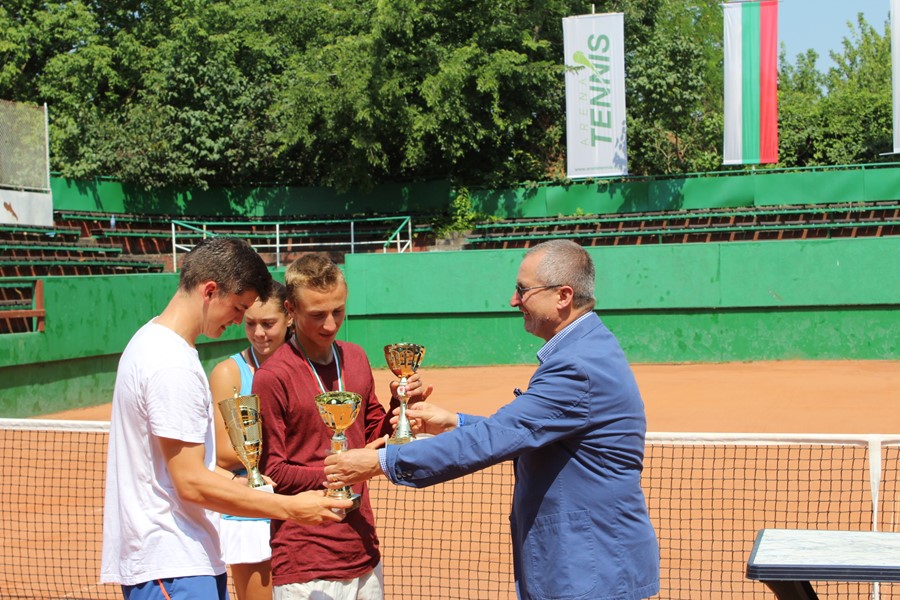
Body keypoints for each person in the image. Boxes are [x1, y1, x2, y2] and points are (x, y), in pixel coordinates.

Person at [323, 239, 661, 600]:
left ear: (563, 296)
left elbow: (499, 437)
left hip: (591, 570)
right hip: (589, 565)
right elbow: (535, 432)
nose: (514, 300)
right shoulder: (586, 350)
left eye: (523, 290)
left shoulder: (576, 366)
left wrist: (380, 461)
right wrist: (454, 422)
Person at [101, 237, 352, 600]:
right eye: (238, 308)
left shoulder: (154, 342)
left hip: (182, 560)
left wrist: (239, 482)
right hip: (171, 561)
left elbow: (183, 467)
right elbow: (191, 483)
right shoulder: (171, 365)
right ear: (209, 291)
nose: (238, 321)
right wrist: (291, 507)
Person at [253, 252, 430, 600]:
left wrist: (401, 404)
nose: (330, 325)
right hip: (305, 558)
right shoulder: (272, 377)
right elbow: (272, 471)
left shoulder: (355, 357)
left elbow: (374, 434)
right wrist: (343, 471)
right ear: (290, 310)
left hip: (362, 549)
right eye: (317, 315)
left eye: (338, 311)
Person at [209, 280, 293, 600]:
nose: (258, 333)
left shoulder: (307, 365)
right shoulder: (229, 373)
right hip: (251, 513)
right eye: (250, 323)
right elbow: (225, 453)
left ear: (289, 317)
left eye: (268, 324)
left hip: (303, 503)